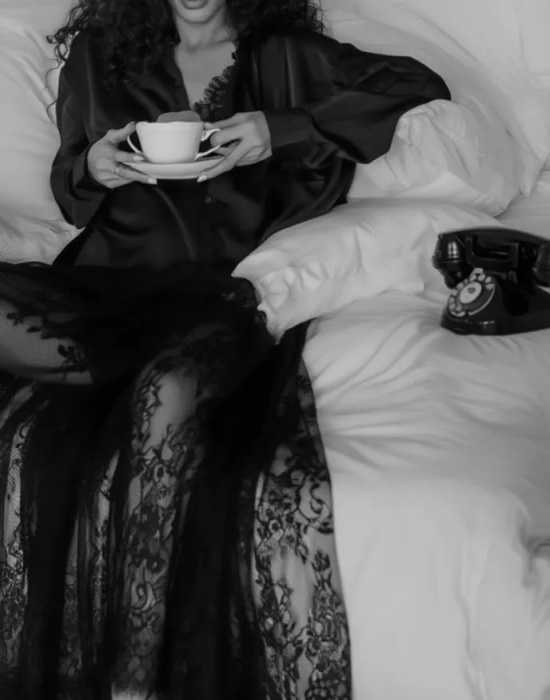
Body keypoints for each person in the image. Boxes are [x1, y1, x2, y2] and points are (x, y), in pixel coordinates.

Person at [0, 0, 450, 698]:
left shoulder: (289, 55)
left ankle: (131, 686)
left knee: (172, 389)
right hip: (107, 284)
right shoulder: (98, 53)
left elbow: (417, 87)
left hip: (217, 297)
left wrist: (281, 128)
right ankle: (119, 362)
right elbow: (70, 186)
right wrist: (94, 164)